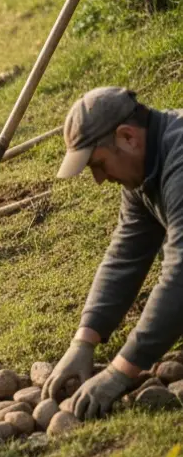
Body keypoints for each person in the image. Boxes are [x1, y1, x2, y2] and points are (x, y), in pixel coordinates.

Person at [41, 87, 183, 419]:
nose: (99, 179)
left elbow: (181, 275)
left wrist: (121, 371)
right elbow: (126, 252)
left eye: (99, 164)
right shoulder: (146, 168)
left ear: (128, 137)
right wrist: (84, 341)